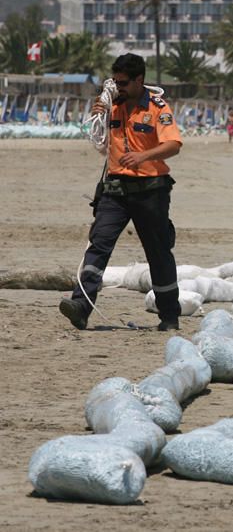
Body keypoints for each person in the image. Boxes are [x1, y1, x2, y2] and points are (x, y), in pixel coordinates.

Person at [59, 53, 184, 331]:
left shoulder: (157, 107)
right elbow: (102, 144)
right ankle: (81, 305)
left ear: (139, 80)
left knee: (158, 253)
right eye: (115, 81)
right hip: (115, 190)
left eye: (124, 82)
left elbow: (174, 145)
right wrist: (98, 115)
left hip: (150, 191)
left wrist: (143, 156)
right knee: (99, 244)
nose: (118, 87)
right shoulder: (112, 106)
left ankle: (169, 316)